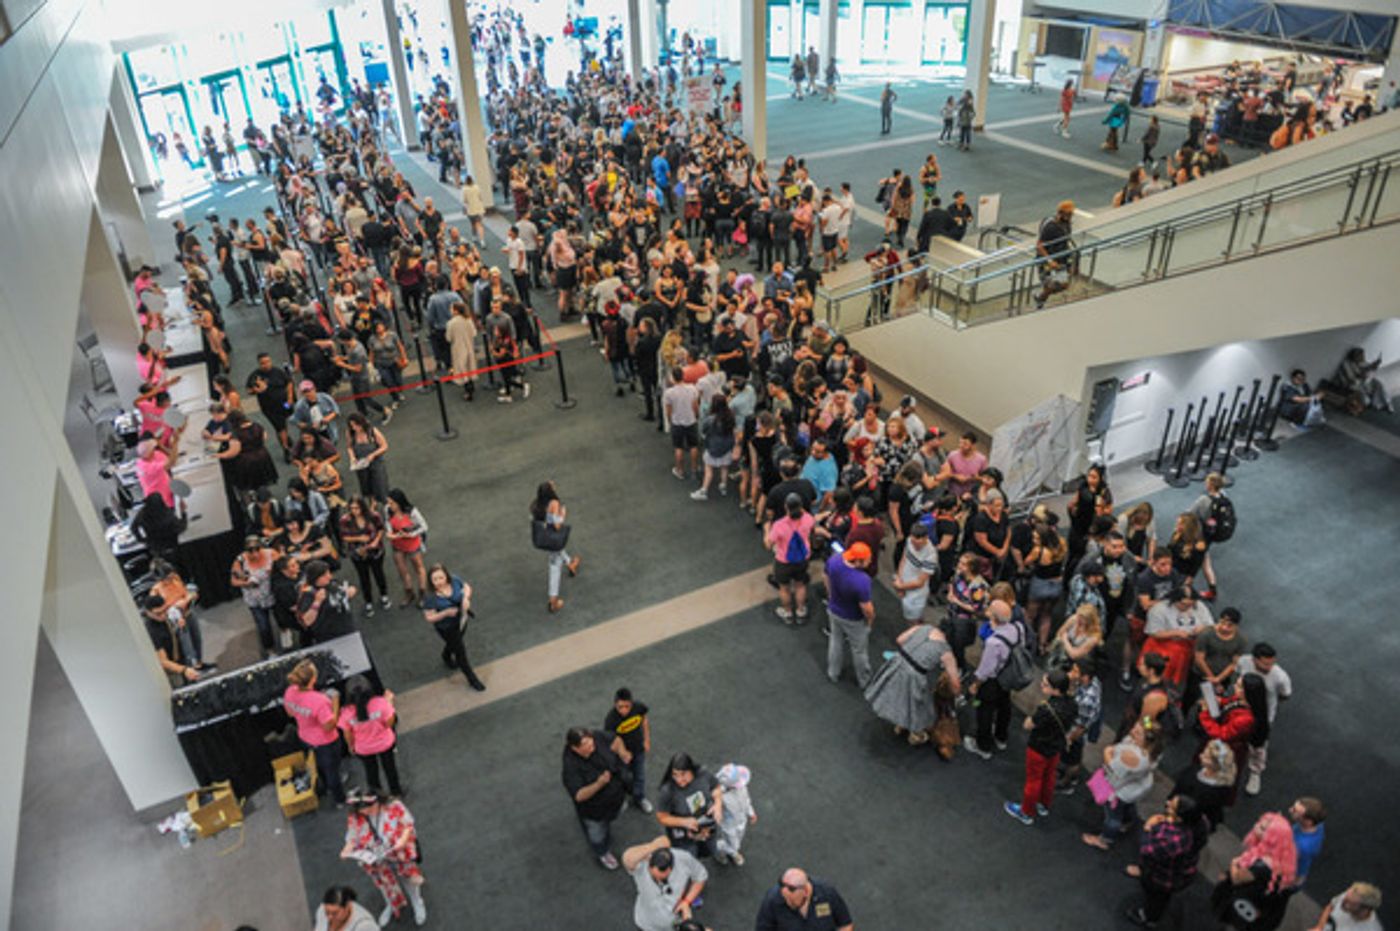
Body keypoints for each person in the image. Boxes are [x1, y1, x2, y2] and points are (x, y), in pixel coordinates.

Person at [864, 621, 960, 746]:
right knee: (920, 707)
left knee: (896, 696)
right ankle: (916, 735)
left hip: (897, 664)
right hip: (914, 675)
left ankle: (900, 724)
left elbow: (899, 640)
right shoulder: (946, 651)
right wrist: (957, 694)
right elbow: (955, 682)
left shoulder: (923, 627)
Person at [339, 790, 426, 926]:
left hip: (398, 852)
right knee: (384, 883)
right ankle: (392, 904)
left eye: (369, 808)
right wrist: (346, 850)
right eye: (363, 810)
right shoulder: (355, 816)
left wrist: (402, 840)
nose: (366, 812)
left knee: (408, 879)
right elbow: (352, 837)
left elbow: (408, 826)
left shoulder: (394, 806)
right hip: (375, 858)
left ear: (378, 801)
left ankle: (417, 901)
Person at [1004, 668, 1076, 825]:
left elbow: (1027, 725)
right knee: (1049, 776)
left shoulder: (1047, 709)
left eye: (1045, 684)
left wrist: (1034, 714)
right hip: (1056, 747)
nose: (1042, 686)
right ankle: (1043, 804)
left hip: (1039, 747)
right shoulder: (1072, 704)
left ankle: (1026, 812)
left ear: (1056, 690)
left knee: (1033, 780)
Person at [1125, 793, 1210, 928]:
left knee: (1156, 899)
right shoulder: (1201, 821)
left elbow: (1147, 850)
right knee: (1161, 897)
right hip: (1184, 868)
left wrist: (1148, 827)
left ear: (1180, 818)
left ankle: (1148, 917)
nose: (1168, 803)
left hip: (1163, 878)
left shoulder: (1174, 839)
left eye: (1172, 806)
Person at [1081, 717, 1165, 849]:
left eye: (1137, 733)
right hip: (1136, 785)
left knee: (1113, 815)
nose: (1132, 732)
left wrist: (1107, 751)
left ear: (1147, 740)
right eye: (1134, 728)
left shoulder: (1133, 756)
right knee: (1127, 807)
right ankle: (1127, 821)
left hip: (1121, 788)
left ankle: (1105, 839)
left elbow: (1112, 768)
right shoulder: (1154, 749)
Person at [1211, 812, 1298, 931]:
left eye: (1262, 828)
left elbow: (1237, 878)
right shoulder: (1283, 854)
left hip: (1247, 906)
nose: (1256, 826)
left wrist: (1234, 862)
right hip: (1263, 904)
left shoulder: (1262, 866)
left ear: (1271, 839)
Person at [562, 726, 633, 870]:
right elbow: (579, 795)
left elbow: (616, 739)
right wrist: (598, 784)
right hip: (594, 812)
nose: (592, 747)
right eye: (586, 746)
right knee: (597, 836)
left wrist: (623, 752)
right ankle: (603, 853)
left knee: (618, 812)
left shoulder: (597, 736)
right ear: (574, 748)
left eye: (591, 743)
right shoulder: (570, 767)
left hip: (616, 798)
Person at [283, 659, 346, 804]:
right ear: (313, 679)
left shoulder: (290, 692)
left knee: (318, 765)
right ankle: (339, 799)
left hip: (305, 737)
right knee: (332, 770)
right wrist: (335, 703)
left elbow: (290, 713)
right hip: (326, 742)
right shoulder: (320, 701)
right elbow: (329, 726)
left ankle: (324, 786)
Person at [1237, 642, 1292, 796]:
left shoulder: (1280, 677)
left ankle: (1255, 772)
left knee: (1258, 746)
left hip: (1263, 716)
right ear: (1254, 660)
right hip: (1241, 709)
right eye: (1265, 663)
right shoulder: (1244, 661)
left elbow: (1285, 695)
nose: (1269, 667)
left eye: (1272, 663)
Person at [420, 564, 486, 691]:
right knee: (460, 652)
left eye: (441, 577)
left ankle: (446, 654)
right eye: (435, 579)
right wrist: (445, 613)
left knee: (456, 641)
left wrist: (466, 598)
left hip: (462, 618)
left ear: (446, 576)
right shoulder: (430, 597)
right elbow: (429, 617)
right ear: (430, 581)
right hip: (447, 628)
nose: (439, 581)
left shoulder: (455, 580)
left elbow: (466, 587)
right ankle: (472, 679)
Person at [621, 836, 708, 931]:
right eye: (653, 876)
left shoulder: (684, 859)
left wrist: (686, 901)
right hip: (646, 924)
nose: (658, 880)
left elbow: (701, 876)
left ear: (670, 869)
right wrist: (653, 846)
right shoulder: (642, 865)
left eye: (661, 877)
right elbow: (627, 859)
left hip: (674, 923)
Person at [338, 675, 402, 797]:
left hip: (364, 748)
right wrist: (389, 703)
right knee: (390, 768)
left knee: (371, 771)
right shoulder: (380, 703)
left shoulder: (346, 713)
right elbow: (390, 723)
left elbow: (347, 734)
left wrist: (351, 746)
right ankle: (396, 792)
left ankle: (376, 795)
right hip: (384, 743)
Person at [824, 541, 875, 688]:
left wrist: (830, 596)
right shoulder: (862, 580)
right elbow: (866, 608)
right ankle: (864, 680)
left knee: (835, 641)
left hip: (833, 610)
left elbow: (825, 576)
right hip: (853, 619)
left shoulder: (834, 560)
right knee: (859, 650)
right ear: (858, 561)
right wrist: (870, 621)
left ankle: (833, 673)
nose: (870, 561)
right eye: (868, 559)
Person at [655, 753, 723, 859]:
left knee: (710, 849)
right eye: (675, 774)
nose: (679, 780)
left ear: (692, 770)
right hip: (684, 836)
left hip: (707, 826)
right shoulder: (668, 791)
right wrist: (684, 822)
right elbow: (662, 817)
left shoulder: (703, 775)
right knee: (689, 858)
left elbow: (716, 787)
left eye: (683, 774)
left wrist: (718, 804)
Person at [530, 481, 581, 614]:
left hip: (544, 536)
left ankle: (571, 564)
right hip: (552, 538)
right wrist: (563, 514)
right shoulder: (554, 503)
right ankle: (553, 601)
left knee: (558, 552)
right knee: (555, 567)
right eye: (551, 484)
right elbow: (557, 525)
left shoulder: (538, 504)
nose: (553, 484)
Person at [766, 492, 815, 624]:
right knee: (800, 585)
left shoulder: (779, 525)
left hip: (783, 562)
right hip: (802, 559)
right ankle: (800, 611)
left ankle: (787, 612)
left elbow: (768, 545)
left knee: (784, 588)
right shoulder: (808, 519)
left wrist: (766, 531)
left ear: (785, 507)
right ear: (801, 506)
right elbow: (810, 523)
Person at [604, 688, 654, 814]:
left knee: (640, 776)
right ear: (615, 704)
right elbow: (611, 741)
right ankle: (621, 799)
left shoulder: (639, 708)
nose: (624, 710)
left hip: (638, 750)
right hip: (621, 756)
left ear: (631, 703)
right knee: (622, 778)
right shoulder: (611, 720)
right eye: (620, 707)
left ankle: (640, 798)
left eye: (627, 706)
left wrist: (647, 740)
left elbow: (644, 721)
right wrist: (623, 753)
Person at [755, 868, 854, 931]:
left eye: (793, 902)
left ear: (806, 891)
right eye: (786, 899)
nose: (788, 904)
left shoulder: (827, 894)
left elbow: (845, 924)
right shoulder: (772, 900)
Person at [1033, 200, 1076, 309]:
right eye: (1069, 214)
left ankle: (1040, 297)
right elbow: (1039, 245)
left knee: (1064, 285)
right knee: (1051, 284)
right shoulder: (1051, 227)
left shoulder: (1067, 225)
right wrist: (1049, 260)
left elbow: (1066, 242)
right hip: (1048, 260)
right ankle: (1040, 300)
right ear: (1061, 213)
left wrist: (1070, 264)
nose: (1071, 216)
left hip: (1061, 259)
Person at [714, 762, 757, 865]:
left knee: (738, 839)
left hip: (741, 820)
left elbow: (746, 801)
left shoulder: (742, 787)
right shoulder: (720, 795)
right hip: (729, 825)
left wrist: (751, 813)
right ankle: (720, 849)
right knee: (732, 844)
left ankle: (730, 851)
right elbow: (715, 810)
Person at [1334, 347, 1391, 413]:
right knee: (1365, 400)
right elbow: (1352, 379)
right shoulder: (1347, 364)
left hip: (1365, 383)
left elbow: (1369, 370)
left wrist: (1375, 365)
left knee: (1378, 384)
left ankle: (1384, 404)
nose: (1363, 358)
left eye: (1363, 356)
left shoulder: (1362, 363)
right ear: (1355, 357)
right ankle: (1371, 404)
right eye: (1361, 356)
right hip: (1354, 385)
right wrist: (1362, 375)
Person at [1310, 882, 1382, 931]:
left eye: (1350, 903)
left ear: (1364, 909)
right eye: (1345, 899)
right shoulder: (1349, 896)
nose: (1342, 903)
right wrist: (1320, 927)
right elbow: (1330, 906)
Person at [312, 885, 379, 931]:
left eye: (335, 913)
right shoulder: (322, 910)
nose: (329, 917)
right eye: (327, 912)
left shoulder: (365, 926)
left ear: (347, 907)